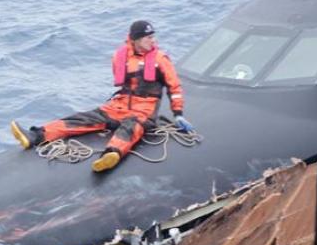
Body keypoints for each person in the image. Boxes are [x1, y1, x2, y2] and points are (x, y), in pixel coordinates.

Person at [11, 20, 194, 172]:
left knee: (131, 127)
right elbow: (121, 81)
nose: (152, 41)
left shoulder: (161, 59)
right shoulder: (120, 57)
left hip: (144, 110)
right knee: (83, 118)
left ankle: (111, 154)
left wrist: (178, 114)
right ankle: (35, 136)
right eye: (148, 37)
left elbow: (174, 87)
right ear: (136, 39)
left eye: (153, 37)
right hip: (119, 105)